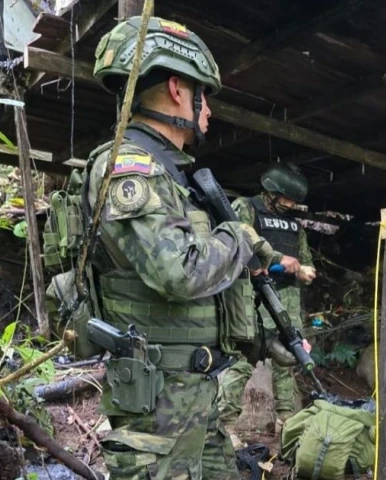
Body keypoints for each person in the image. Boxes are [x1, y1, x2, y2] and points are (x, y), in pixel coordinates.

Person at [87, 16, 296, 478]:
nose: (209, 112)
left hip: (195, 392)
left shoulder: (173, 177)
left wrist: (260, 341)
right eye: (205, 97)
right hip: (159, 399)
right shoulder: (129, 167)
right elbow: (178, 273)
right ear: (179, 89)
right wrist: (238, 236)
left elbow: (203, 302)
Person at [218, 162, 317, 440]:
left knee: (288, 359)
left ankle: (287, 423)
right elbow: (234, 246)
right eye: (286, 197)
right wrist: (275, 259)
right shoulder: (245, 208)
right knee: (243, 360)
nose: (290, 204)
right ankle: (223, 426)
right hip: (252, 298)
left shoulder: (294, 226)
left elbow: (304, 259)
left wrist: (305, 271)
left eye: (293, 200)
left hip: (286, 299)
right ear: (271, 191)